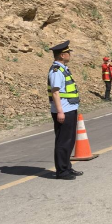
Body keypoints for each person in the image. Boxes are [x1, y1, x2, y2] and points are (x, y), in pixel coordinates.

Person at [47, 40, 83, 180]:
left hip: (69, 109)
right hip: (63, 110)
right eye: (68, 52)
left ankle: (67, 167)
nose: (69, 54)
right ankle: (62, 171)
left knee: (69, 140)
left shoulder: (63, 69)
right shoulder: (56, 71)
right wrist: (60, 111)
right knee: (63, 141)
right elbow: (55, 92)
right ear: (62, 55)